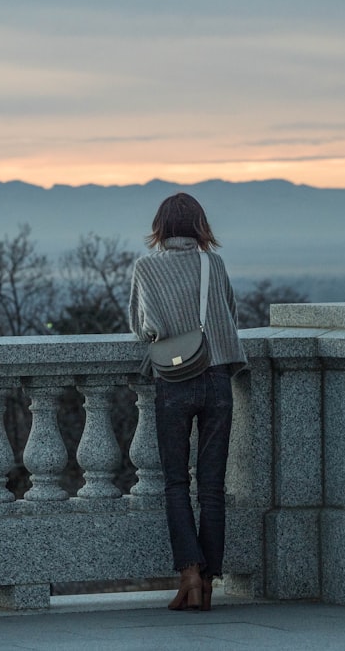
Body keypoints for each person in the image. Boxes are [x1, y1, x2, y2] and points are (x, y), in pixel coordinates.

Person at [128, 192, 247, 611]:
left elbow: (143, 329)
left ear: (161, 227)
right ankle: (210, 581)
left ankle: (189, 573)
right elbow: (229, 315)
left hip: (173, 382)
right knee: (212, 487)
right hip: (215, 377)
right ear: (200, 226)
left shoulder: (146, 268)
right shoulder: (212, 264)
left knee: (176, 482)